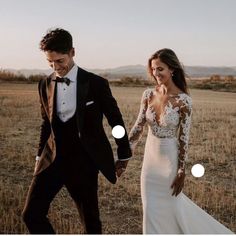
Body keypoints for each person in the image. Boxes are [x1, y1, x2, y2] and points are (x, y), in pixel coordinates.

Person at [22, 28, 131, 234]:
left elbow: (115, 121)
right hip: (51, 160)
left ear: (73, 52)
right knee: (31, 215)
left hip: (84, 162)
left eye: (60, 61)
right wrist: (39, 157)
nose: (56, 67)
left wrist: (123, 153)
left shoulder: (96, 84)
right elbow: (47, 123)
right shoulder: (44, 85)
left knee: (91, 224)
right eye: (50, 62)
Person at [129, 48, 234, 234]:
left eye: (160, 69)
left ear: (172, 70)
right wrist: (123, 156)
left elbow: (184, 138)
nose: (156, 73)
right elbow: (138, 127)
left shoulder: (184, 101)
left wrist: (181, 170)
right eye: (153, 69)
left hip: (169, 161)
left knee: (173, 207)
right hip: (150, 163)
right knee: (150, 209)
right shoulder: (148, 95)